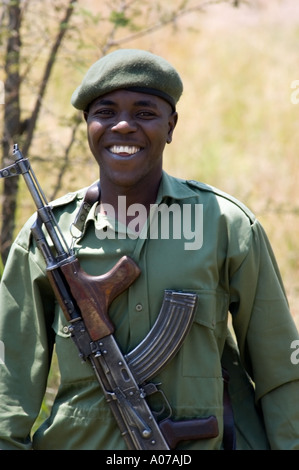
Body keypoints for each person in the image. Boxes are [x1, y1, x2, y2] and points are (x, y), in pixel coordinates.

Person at [0, 48, 299, 451]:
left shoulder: (225, 225)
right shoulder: (47, 238)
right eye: (105, 112)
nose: (123, 126)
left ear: (171, 125)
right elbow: (9, 382)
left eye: (144, 113)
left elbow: (281, 369)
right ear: (87, 124)